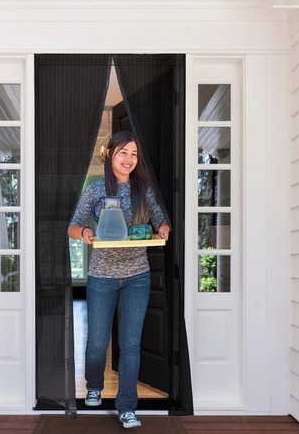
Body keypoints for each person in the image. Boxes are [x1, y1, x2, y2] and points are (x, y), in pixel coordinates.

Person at [68, 130, 171, 429]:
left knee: (130, 344)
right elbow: (73, 226)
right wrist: (85, 233)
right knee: (98, 342)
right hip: (102, 276)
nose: (128, 159)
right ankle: (94, 384)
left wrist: (163, 228)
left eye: (134, 154)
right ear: (110, 154)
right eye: (123, 152)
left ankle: (127, 406)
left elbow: (161, 218)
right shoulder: (96, 190)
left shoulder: (143, 189)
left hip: (138, 276)